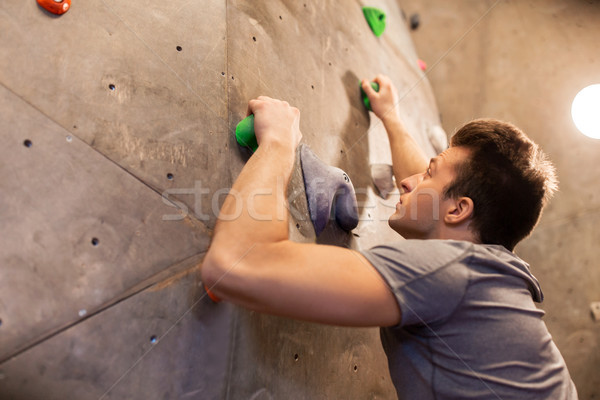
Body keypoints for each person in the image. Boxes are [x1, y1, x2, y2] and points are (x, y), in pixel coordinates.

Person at [201, 75, 578, 399]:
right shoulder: (486, 276)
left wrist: (279, 142)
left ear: (459, 210)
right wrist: (390, 116)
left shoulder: (455, 273)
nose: (408, 182)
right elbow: (429, 193)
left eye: (430, 174)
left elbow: (236, 266)